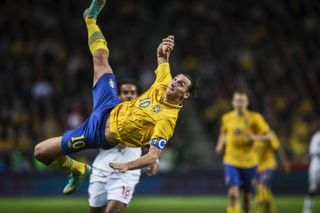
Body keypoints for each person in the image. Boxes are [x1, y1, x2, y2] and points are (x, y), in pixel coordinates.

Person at [34, 0, 195, 195]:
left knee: (40, 152)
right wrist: (163, 50)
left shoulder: (167, 120)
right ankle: (90, 18)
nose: (173, 82)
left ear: (184, 94)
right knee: (100, 57)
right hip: (109, 104)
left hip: (98, 133)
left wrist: (129, 165)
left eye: (180, 84)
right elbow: (162, 59)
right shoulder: (164, 81)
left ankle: (78, 169)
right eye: (175, 78)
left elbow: (153, 156)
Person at [88, 81, 159, 213]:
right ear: (119, 95)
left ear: (137, 96)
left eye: (132, 92)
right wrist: (111, 137)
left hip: (127, 173)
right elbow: (91, 136)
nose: (129, 95)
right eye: (125, 92)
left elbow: (150, 142)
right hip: (101, 169)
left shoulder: (144, 117)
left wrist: (154, 160)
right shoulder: (105, 114)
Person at [215, 90, 272, 213]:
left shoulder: (255, 118)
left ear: (247, 103)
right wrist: (220, 145)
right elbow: (223, 133)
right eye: (237, 101)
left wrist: (254, 137)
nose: (239, 104)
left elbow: (269, 136)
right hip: (231, 160)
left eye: (242, 101)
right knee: (233, 193)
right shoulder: (226, 118)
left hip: (249, 163)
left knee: (246, 198)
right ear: (233, 102)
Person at [254, 131, 291, 213]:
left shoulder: (269, 133)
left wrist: (285, 162)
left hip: (268, 166)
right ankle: (271, 210)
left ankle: (257, 211)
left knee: (261, 188)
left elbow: (278, 149)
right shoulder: (252, 132)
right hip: (257, 168)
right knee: (266, 192)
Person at [303, 130, 320, 213]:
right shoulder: (316, 136)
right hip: (316, 162)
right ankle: (307, 209)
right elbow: (313, 152)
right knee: (312, 187)